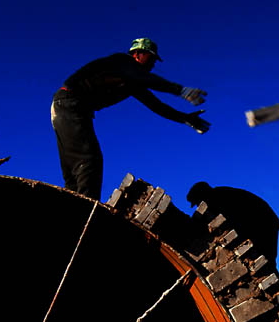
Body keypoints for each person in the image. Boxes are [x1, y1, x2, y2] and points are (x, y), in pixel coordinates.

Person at [51, 37, 210, 200]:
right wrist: (180, 90)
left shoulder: (131, 80)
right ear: (139, 54)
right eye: (152, 58)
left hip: (66, 106)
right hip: (69, 104)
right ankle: (85, 213)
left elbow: (156, 105)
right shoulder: (122, 62)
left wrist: (185, 118)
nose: (153, 64)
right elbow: (144, 78)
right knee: (88, 161)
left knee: (73, 169)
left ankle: (71, 209)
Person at [186, 181, 279, 266]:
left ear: (202, 195)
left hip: (263, 222)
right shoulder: (221, 193)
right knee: (265, 260)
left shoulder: (217, 197)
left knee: (265, 260)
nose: (198, 206)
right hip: (266, 220)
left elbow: (221, 219)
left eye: (197, 203)